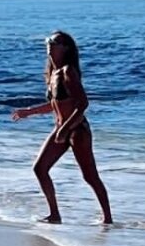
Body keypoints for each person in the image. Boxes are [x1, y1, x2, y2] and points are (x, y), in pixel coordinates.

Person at [11, 31, 113, 226]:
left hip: (77, 129)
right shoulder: (52, 73)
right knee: (40, 168)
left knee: (90, 176)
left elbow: (82, 104)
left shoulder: (68, 71)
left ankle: (108, 219)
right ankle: (54, 215)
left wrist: (66, 128)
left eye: (55, 42)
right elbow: (55, 104)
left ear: (65, 48)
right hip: (61, 129)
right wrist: (29, 112)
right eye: (48, 41)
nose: (50, 44)